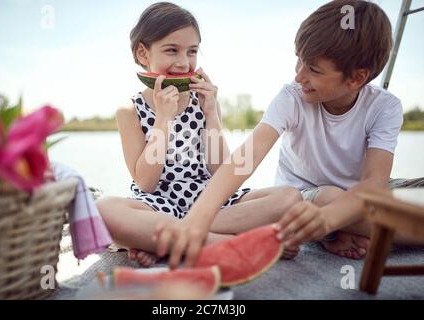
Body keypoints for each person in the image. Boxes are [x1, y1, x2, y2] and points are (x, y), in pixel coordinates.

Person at [154, 0, 423, 269]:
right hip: (307, 197)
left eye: (313, 70)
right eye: (299, 61)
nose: (299, 76)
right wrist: (197, 218)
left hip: (358, 199)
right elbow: (245, 159)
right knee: (330, 198)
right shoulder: (292, 98)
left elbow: (373, 184)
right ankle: (340, 229)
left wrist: (330, 220)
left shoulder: (385, 106)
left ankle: (339, 230)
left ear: (356, 79)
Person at [96, 2, 301, 267]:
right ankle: (226, 243)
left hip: (210, 202)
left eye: (192, 52)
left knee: (289, 199)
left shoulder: (201, 100)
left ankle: (169, 241)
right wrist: (163, 119)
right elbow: (146, 183)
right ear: (143, 53)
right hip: (158, 205)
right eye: (172, 50)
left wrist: (212, 111)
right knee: (103, 211)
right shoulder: (129, 110)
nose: (183, 63)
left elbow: (221, 172)